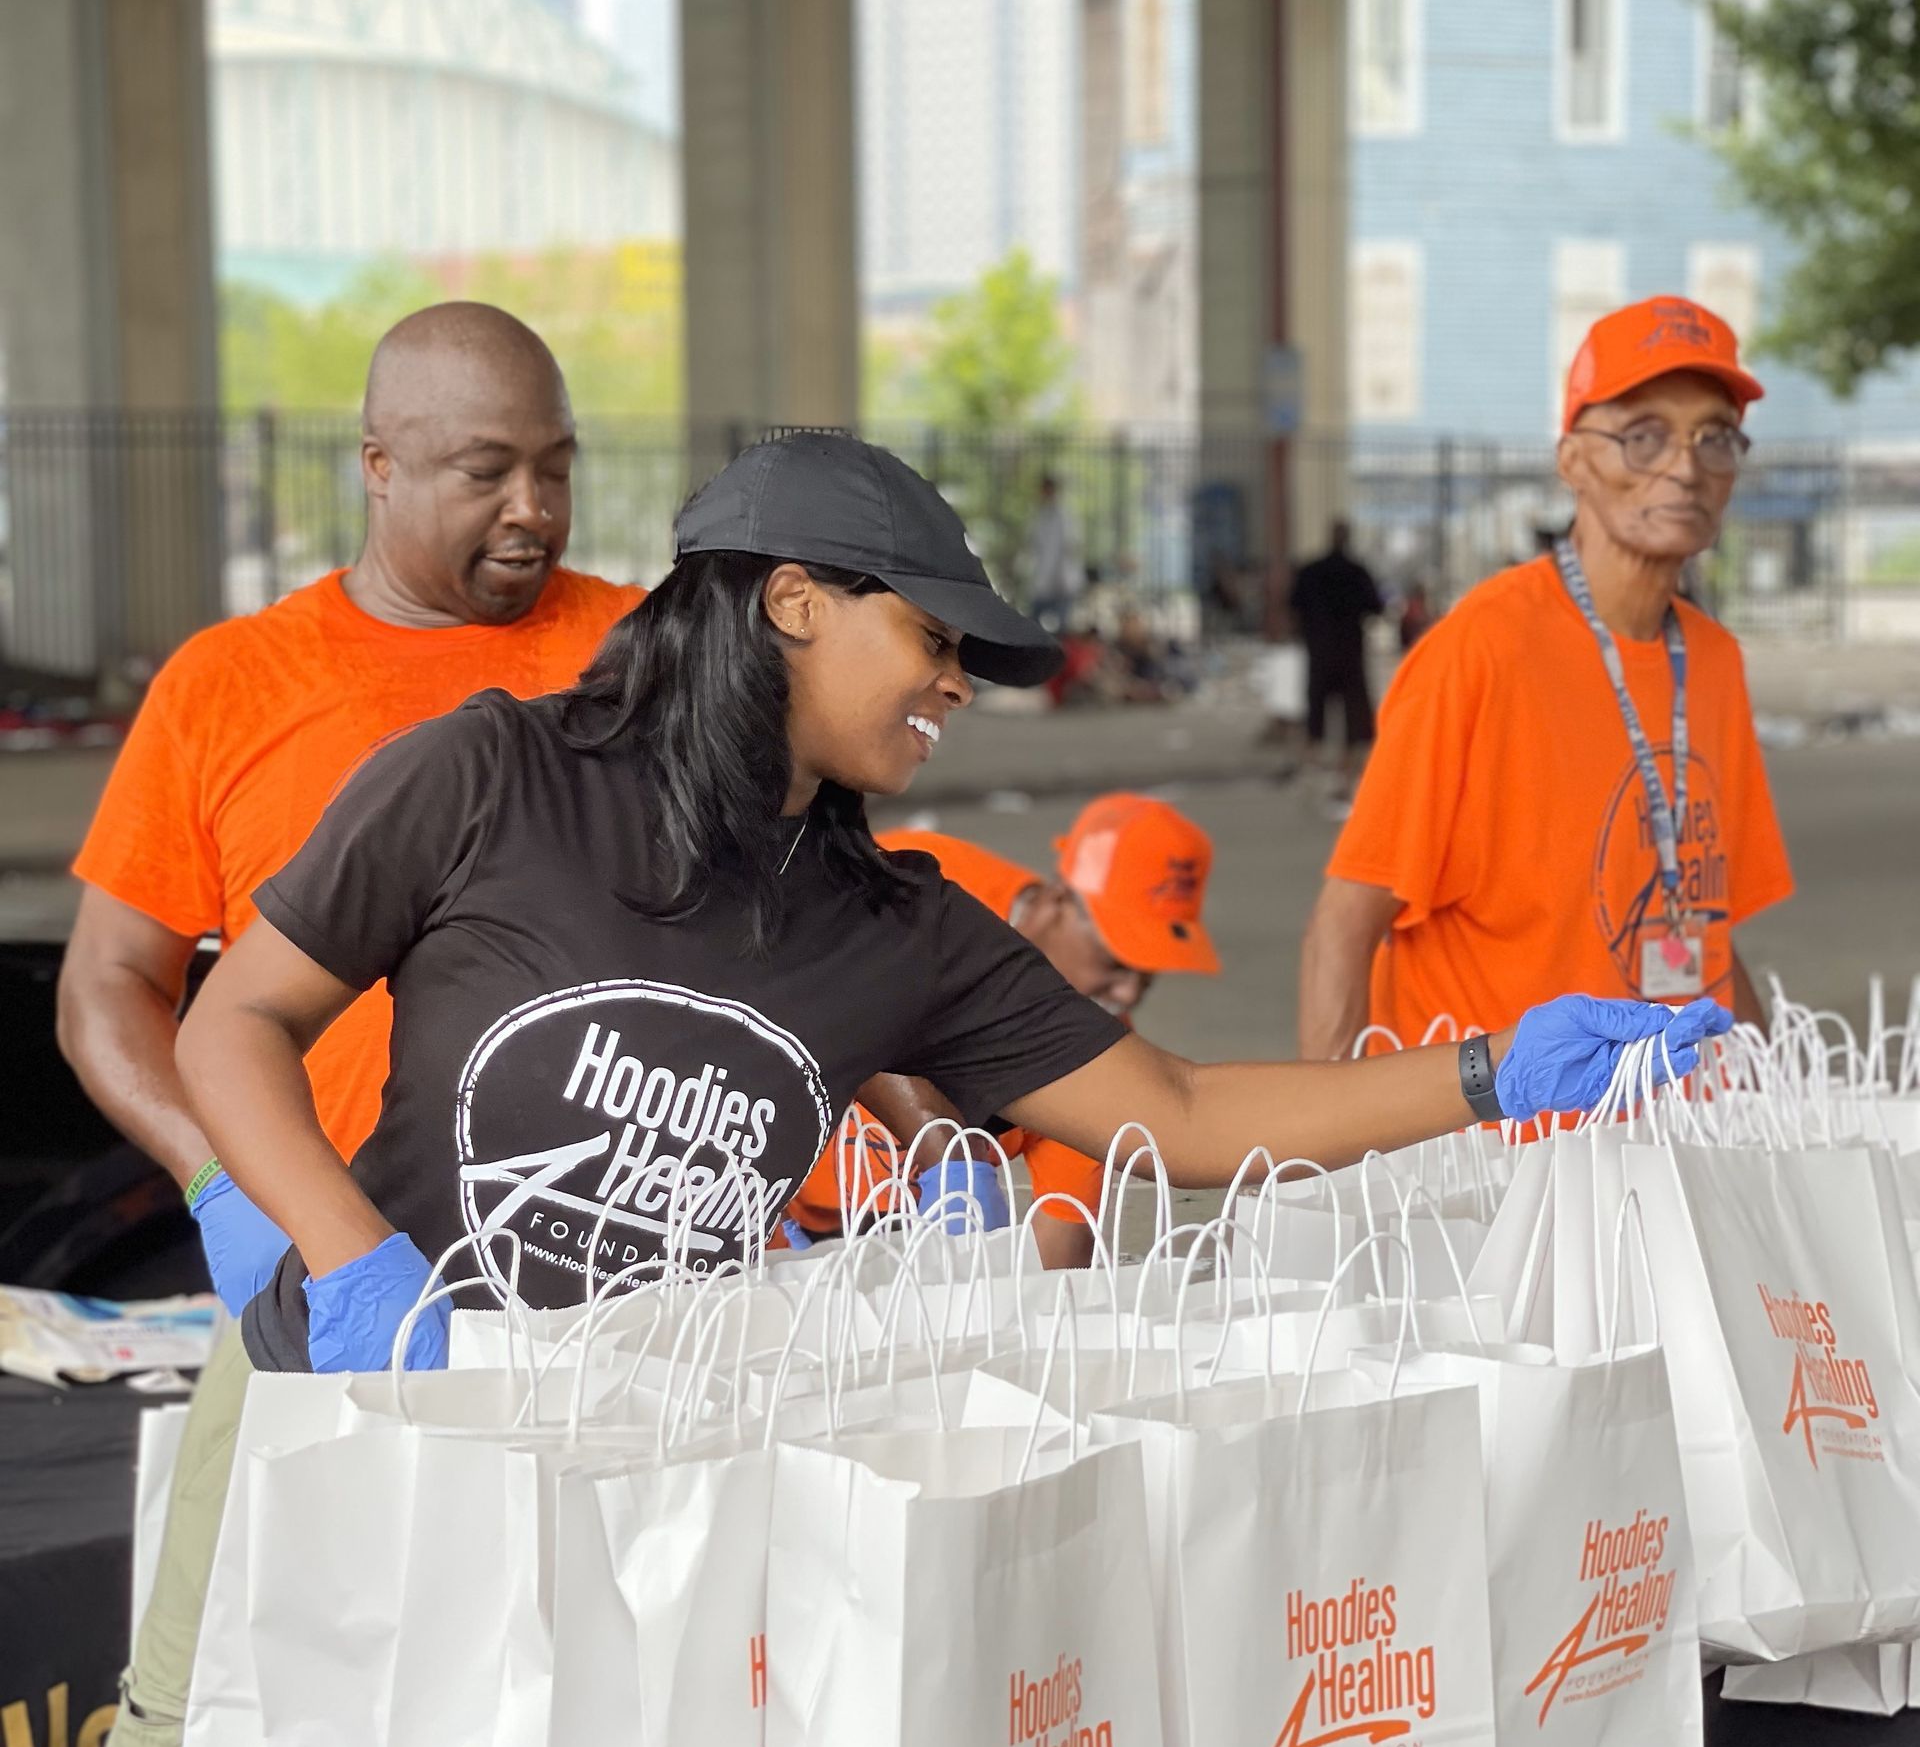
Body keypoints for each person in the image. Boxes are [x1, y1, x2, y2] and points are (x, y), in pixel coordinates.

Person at [173, 428, 1714, 1394]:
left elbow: (1175, 1113)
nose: (958, 686)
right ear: (791, 602)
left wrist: (1491, 1071)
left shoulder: (889, 924)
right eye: (932, 637)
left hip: (639, 1438)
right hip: (374, 1400)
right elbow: (235, 1017)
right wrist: (341, 1250)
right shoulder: (492, 775)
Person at [71, 301, 645, 1747]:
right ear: (377, 469)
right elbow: (107, 989)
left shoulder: (641, 655)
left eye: (555, 468)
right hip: (328, 1282)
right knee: (211, 1684)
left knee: (583, 1687)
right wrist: (227, 1190)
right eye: (482, 472)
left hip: (585, 1289)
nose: (532, 509)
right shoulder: (232, 686)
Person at [1298, 295, 1795, 1061]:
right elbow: (1346, 923)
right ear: (1573, 462)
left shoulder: (1714, 661)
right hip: (1504, 1147)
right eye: (1644, 436)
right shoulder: (1481, 647)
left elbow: (1707, 931)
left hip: (1666, 1136)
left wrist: (1779, 1099)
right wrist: (1332, 1154)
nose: (1686, 467)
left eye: (1715, 437)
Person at [783, 795, 1221, 1268]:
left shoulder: (1091, 1067)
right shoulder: (915, 881)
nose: (1128, 993)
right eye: (1115, 963)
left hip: (907, 1254)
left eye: (1148, 975)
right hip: (744, 1198)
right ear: (1058, 902)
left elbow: (1059, 1259)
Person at [1289, 519, 1384, 795]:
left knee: (1317, 704)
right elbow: (1375, 607)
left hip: (1319, 650)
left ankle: (1314, 758)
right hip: (1350, 652)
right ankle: (1348, 762)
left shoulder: (1311, 571)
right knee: (1353, 709)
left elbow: (1293, 605)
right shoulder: (1357, 572)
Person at [1028, 472, 1080, 632]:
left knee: (1061, 628)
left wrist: (1060, 578)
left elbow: (1069, 547)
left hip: (1062, 582)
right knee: (1035, 624)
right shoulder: (1040, 515)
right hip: (1043, 580)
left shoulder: (1064, 516)